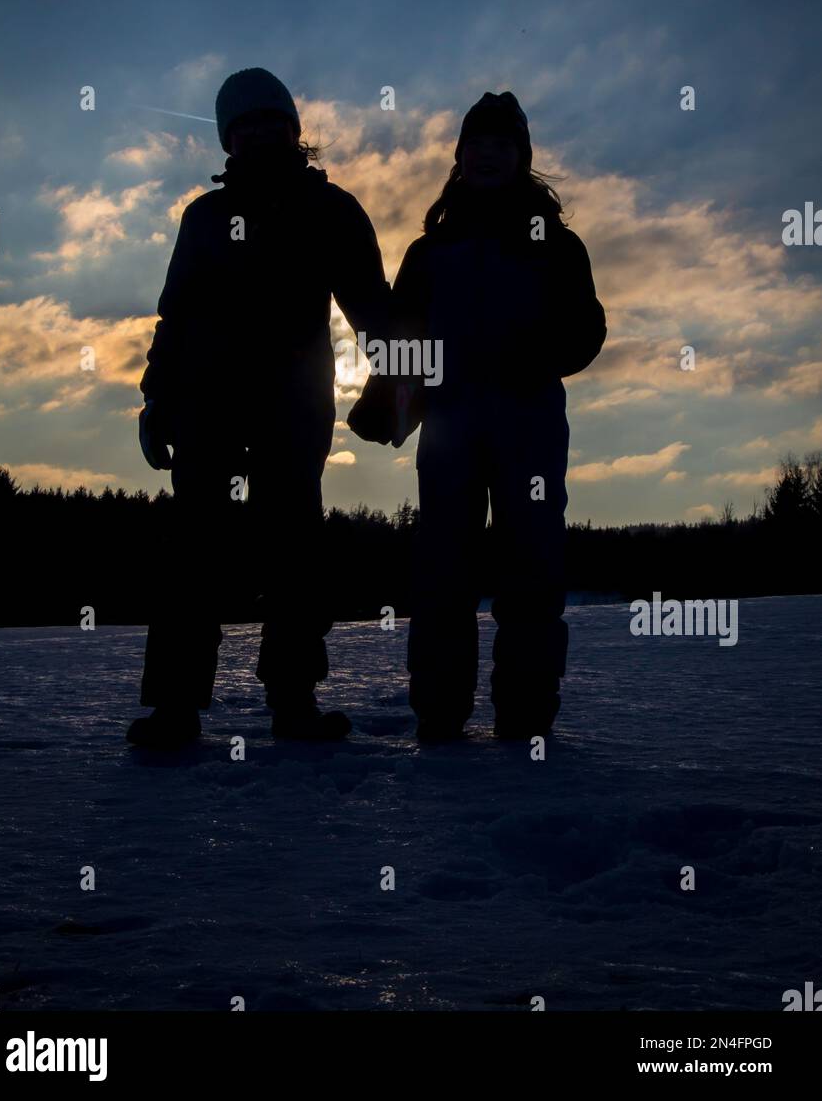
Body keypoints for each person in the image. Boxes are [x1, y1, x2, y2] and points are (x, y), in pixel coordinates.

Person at [128, 68, 391, 749]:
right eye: (244, 125)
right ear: (228, 139)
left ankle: (294, 702)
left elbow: (372, 309)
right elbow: (176, 316)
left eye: (272, 121)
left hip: (294, 406)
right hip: (205, 405)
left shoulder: (331, 210)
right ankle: (175, 709)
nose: (259, 133)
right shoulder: (205, 217)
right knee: (192, 553)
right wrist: (156, 399)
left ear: (293, 129)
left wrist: (395, 382)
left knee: (294, 551)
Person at [349, 92, 607, 742]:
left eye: (503, 145)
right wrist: (383, 398)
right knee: (443, 569)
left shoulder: (556, 244)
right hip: (450, 431)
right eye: (477, 144)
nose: (488, 154)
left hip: (531, 428)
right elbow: (403, 339)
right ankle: (439, 712)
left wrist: (541, 352)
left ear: (523, 159)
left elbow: (586, 328)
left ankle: (525, 715)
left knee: (533, 565)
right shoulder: (429, 252)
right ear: (459, 157)